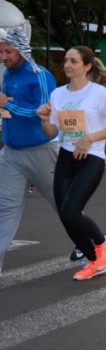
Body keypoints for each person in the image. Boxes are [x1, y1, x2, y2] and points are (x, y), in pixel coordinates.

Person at [37, 46, 106, 280]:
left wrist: (89, 138)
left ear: (86, 66)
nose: (67, 64)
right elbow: (51, 132)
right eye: (66, 60)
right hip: (66, 156)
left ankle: (103, 242)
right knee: (65, 215)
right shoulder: (57, 94)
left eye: (73, 61)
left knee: (72, 210)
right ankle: (95, 261)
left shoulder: (98, 93)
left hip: (91, 157)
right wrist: (45, 121)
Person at [0, 27, 61, 273]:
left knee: (64, 204)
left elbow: (42, 113)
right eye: (1, 52)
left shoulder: (40, 75)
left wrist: (8, 106)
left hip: (41, 151)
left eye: (8, 51)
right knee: (5, 208)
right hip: (11, 152)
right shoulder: (8, 74)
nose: (4, 56)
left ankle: (91, 244)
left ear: (22, 50)